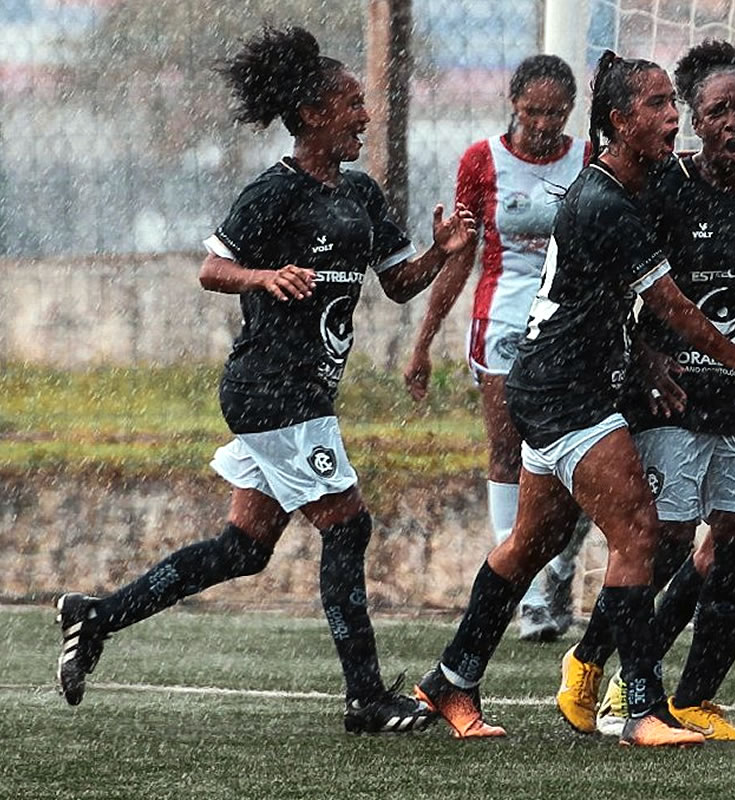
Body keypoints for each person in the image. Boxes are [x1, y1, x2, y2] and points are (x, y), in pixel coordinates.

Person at [53, 24, 476, 735]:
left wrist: (439, 252)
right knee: (349, 524)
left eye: (365, 105)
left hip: (303, 395)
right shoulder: (274, 192)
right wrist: (265, 275)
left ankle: (93, 617)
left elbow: (399, 285)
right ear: (311, 115)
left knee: (244, 549)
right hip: (270, 389)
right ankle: (365, 698)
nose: (365, 117)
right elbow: (211, 268)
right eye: (351, 105)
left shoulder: (363, 195)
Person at [411, 50, 735, 748]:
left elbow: (702, 177)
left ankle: (452, 679)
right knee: (641, 530)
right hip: (564, 392)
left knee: (530, 543)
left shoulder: (639, 177)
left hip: (561, 383)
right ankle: (641, 710)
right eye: (660, 106)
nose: (674, 118)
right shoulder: (603, 201)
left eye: (674, 104)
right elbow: (669, 302)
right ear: (619, 122)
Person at [560, 39, 735, 742]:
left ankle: (695, 698)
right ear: (696, 117)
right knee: (666, 543)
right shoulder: (664, 188)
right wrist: (645, 352)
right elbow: (622, 288)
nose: (732, 124)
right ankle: (599, 664)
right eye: (717, 111)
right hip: (673, 400)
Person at [403, 55, 591, 643]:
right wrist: (425, 338)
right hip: (503, 320)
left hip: (574, 325)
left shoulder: (587, 159)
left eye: (555, 112)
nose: (543, 123)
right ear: (513, 103)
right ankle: (527, 595)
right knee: (509, 452)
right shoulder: (481, 161)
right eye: (532, 111)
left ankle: (557, 566)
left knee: (588, 458)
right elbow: (461, 252)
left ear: (571, 110)